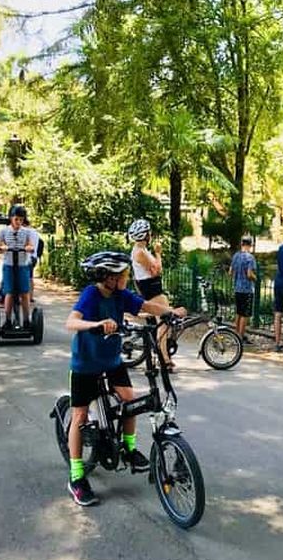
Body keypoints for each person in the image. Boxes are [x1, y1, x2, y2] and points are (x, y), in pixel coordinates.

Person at [65, 251, 187, 506]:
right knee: (79, 416)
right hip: (86, 364)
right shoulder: (91, 294)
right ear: (108, 277)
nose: (127, 277)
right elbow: (71, 322)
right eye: (123, 274)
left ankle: (129, 450)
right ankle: (76, 476)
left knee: (130, 401)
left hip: (112, 361)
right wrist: (97, 324)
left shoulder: (121, 295)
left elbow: (144, 306)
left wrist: (170, 312)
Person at [129, 219, 176, 371]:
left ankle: (161, 355)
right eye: (149, 232)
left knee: (164, 322)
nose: (151, 234)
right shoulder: (140, 252)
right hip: (152, 289)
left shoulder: (140, 250)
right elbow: (157, 270)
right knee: (165, 323)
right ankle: (164, 359)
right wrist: (158, 253)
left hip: (152, 288)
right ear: (145, 235)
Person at [0, 205, 34, 329]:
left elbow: (31, 245)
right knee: (9, 292)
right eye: (16, 219)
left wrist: (28, 248)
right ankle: (7, 320)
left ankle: (26, 320)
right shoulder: (4, 231)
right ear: (11, 218)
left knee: (24, 292)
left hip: (22, 266)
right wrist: (2, 247)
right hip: (9, 265)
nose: (18, 222)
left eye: (21, 220)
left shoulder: (26, 232)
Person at [229, 236, 257, 344]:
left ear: (242, 244)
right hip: (247, 289)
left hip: (237, 288)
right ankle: (240, 337)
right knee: (245, 314)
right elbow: (249, 274)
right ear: (250, 245)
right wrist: (255, 278)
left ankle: (236, 334)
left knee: (238, 312)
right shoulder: (250, 258)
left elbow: (230, 272)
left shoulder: (236, 256)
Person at [23, 216, 42, 302]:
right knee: (30, 277)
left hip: (25, 257)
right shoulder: (35, 232)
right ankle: (30, 297)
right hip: (33, 257)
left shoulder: (24, 232)